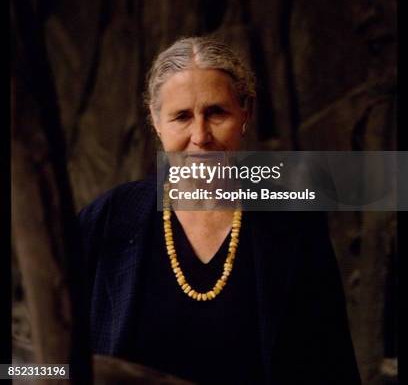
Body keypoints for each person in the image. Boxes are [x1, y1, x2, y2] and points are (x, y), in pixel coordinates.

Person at [78, 36, 361, 384]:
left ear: (246, 112)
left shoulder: (294, 224)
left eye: (216, 113)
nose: (200, 136)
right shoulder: (106, 219)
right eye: (181, 116)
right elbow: (57, 355)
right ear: (155, 121)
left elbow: (333, 367)